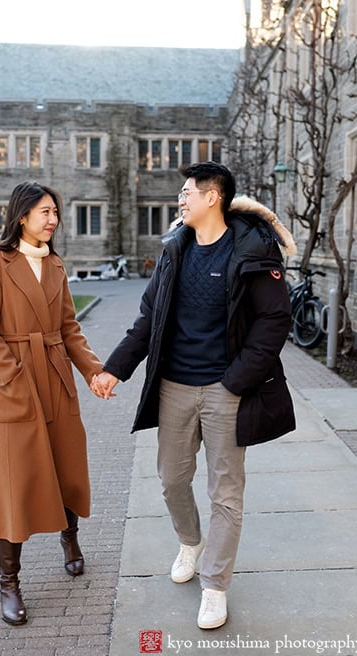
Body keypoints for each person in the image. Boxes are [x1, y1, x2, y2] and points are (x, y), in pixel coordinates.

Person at [91, 161, 297, 629]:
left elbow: (274, 321)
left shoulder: (253, 251)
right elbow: (148, 318)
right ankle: (190, 541)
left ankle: (215, 586)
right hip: (174, 387)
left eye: (187, 192)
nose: (180, 200)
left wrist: (236, 380)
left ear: (213, 198)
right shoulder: (174, 251)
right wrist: (115, 369)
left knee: (226, 493)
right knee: (171, 480)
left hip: (228, 390)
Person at [0, 181, 103, 626]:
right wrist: (11, 374)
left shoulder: (57, 265)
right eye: (44, 211)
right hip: (15, 384)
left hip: (56, 377)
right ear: (21, 215)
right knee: (15, 481)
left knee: (65, 464)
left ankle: (70, 538)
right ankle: (9, 583)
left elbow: (69, 329)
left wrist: (93, 371)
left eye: (55, 212)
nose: (52, 219)